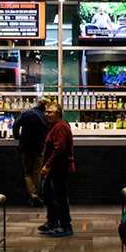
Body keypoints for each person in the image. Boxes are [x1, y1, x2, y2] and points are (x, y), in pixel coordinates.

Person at [39, 102, 75, 238]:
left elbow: (59, 149)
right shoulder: (55, 126)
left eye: (50, 112)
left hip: (59, 167)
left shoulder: (60, 127)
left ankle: (65, 226)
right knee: (49, 194)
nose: (47, 114)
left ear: (58, 113)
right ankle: (53, 222)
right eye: (46, 112)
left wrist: (47, 165)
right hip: (55, 167)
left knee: (59, 197)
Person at [12, 99, 49, 206]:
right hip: (39, 148)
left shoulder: (26, 113)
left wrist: (17, 137)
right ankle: (38, 195)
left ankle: (33, 195)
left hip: (25, 147)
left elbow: (15, 125)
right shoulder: (44, 117)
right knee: (37, 172)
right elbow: (48, 131)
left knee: (27, 173)